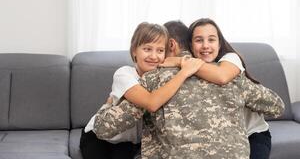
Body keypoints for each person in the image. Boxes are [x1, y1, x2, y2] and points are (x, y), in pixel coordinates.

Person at [93, 20, 284, 158]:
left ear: (171, 45)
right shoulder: (231, 77)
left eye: (161, 49)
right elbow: (277, 106)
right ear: (191, 44)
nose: (157, 57)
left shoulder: (153, 79)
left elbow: (102, 129)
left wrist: (108, 104)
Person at [80, 22, 203, 159]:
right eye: (147, 49)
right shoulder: (124, 74)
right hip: (99, 138)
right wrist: (184, 71)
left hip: (128, 143)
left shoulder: (163, 78)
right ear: (134, 51)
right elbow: (151, 102)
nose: (154, 56)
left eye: (160, 51)